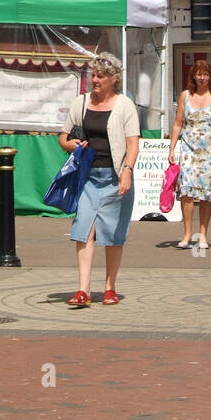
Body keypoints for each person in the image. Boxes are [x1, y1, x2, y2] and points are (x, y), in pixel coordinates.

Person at [57, 54, 140, 305]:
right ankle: (83, 290)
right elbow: (62, 137)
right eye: (93, 75)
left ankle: (109, 288)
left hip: (115, 176)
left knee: (112, 234)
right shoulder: (80, 103)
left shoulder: (125, 105)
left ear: (114, 79)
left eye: (100, 76)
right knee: (84, 230)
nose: (94, 80)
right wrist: (69, 144)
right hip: (87, 178)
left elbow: (133, 143)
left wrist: (127, 170)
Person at [169, 60, 211, 251]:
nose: (202, 78)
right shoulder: (185, 95)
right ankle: (186, 233)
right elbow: (178, 123)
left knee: (205, 194)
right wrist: (172, 148)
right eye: (198, 74)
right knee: (186, 191)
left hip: (208, 152)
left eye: (206, 74)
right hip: (188, 150)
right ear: (193, 76)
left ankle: (203, 234)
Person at [135, 68, 152, 132]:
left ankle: (144, 134)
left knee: (140, 121)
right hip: (146, 103)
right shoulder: (147, 78)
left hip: (140, 103)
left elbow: (137, 90)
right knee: (144, 121)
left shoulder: (139, 77)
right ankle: (145, 134)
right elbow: (150, 92)